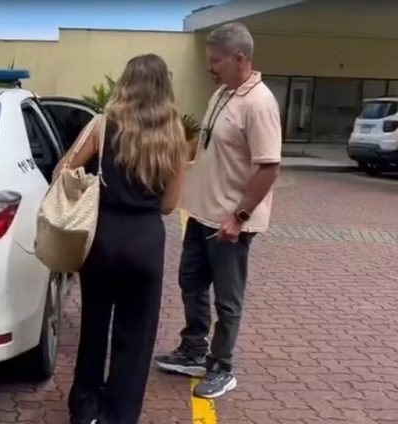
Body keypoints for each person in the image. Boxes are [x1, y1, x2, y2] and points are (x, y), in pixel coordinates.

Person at [55, 54, 188, 424]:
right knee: (137, 335)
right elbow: (169, 205)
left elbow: (64, 169)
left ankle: (85, 408)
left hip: (103, 236)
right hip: (145, 240)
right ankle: (119, 414)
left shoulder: (103, 124)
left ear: (126, 82)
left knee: (94, 326)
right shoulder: (175, 133)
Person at [153, 22, 282, 399]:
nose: (210, 67)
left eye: (216, 61)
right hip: (201, 214)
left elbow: (269, 167)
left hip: (230, 222)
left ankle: (222, 367)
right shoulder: (223, 93)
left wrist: (238, 217)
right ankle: (194, 350)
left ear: (240, 59)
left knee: (228, 299)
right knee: (191, 283)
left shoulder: (259, 103)